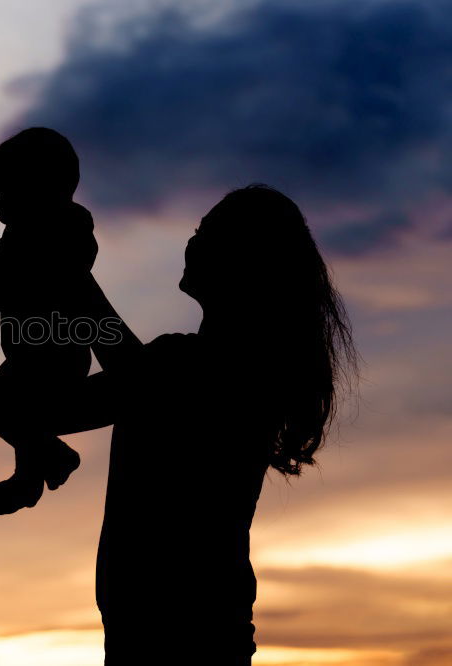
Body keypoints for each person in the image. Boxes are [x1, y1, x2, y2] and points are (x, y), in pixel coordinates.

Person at [48, 185, 358, 663]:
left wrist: (73, 279)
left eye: (205, 235)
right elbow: (134, 370)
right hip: (198, 633)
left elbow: (64, 403)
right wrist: (76, 282)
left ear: (242, 261)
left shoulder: (197, 368)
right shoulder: (245, 372)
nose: (190, 244)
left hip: (172, 642)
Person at [0, 127, 118, 517]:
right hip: (24, 354)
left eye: (8, 190)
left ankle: (49, 459)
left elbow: (76, 269)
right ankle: (32, 474)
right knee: (6, 409)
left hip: (57, 353)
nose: (0, 204)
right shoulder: (15, 241)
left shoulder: (69, 228)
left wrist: (39, 261)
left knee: (3, 408)